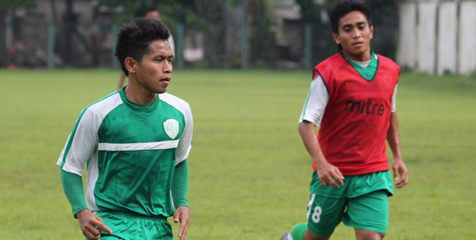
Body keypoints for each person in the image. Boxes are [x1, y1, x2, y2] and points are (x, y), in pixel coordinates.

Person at [281, 1, 408, 239]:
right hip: (333, 175)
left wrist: (398, 156)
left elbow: (390, 113)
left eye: (361, 27)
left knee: (371, 237)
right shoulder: (327, 73)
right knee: (316, 237)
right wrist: (321, 164)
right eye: (348, 29)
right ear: (337, 37)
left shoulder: (391, 70)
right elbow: (306, 123)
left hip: (373, 172)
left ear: (372, 30)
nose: (356, 34)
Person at [58, 18, 192, 240]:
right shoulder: (98, 114)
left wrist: (182, 203)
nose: (167, 68)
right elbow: (70, 166)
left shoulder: (180, 111)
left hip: (158, 226)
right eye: (158, 60)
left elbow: (179, 161)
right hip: (110, 225)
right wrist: (81, 211)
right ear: (131, 65)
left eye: (170, 60)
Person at [118, 6, 175, 89]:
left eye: (156, 17)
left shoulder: (166, 35)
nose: (168, 69)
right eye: (151, 18)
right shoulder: (138, 35)